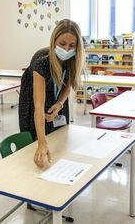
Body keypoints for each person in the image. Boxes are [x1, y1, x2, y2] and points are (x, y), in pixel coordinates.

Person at [18, 19, 85, 168]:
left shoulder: (73, 58)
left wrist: (60, 103)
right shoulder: (41, 61)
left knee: (58, 139)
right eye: (62, 44)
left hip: (57, 97)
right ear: (54, 40)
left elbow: (68, 86)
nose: (67, 49)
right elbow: (38, 105)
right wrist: (41, 143)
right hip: (35, 99)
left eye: (72, 45)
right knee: (37, 141)